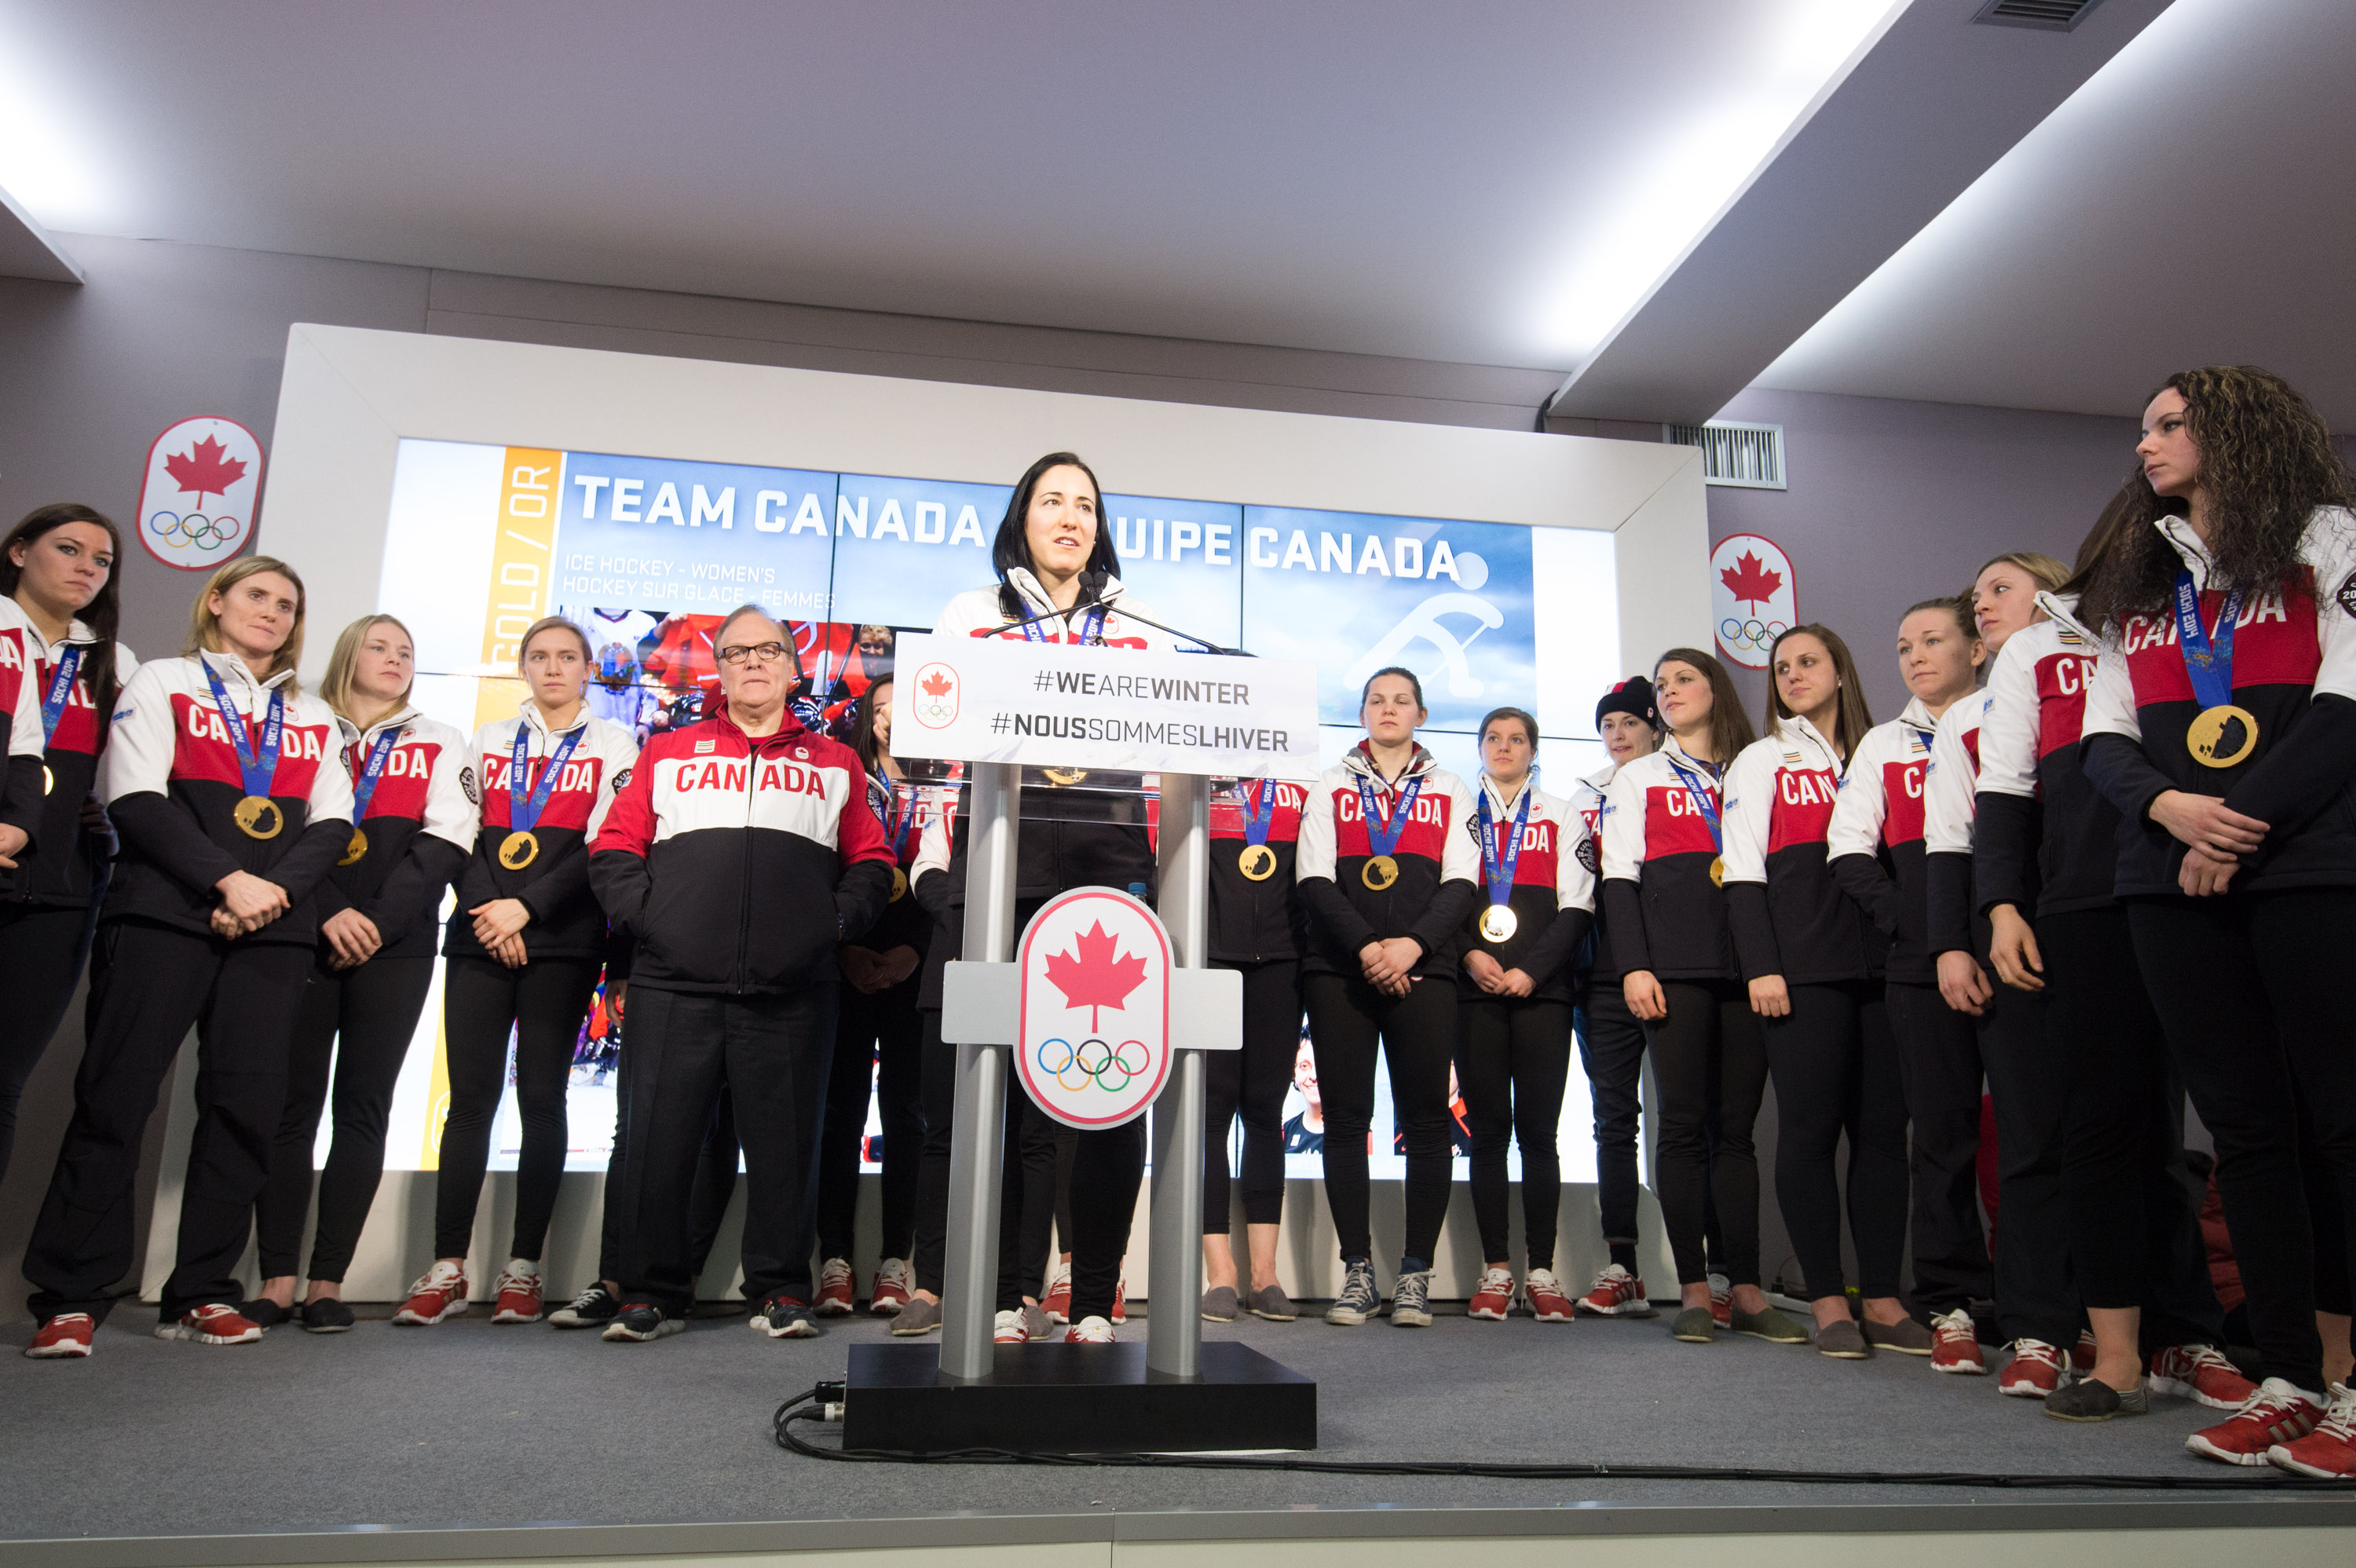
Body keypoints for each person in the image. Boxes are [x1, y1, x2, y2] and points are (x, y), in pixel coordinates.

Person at [2076, 366, 2356, 1474]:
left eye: (2171, 424)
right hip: (2169, 875)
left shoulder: (2328, 538)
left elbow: (2347, 703)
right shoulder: (2142, 581)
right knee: (2244, 1134)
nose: (2146, 444)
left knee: (2341, 1121)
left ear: (2240, 430)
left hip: (2308, 865)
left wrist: (2234, 821)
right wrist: (2171, 812)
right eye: (2142, 425)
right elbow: (2105, 739)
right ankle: (2288, 1375)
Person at [23, 557, 350, 1357]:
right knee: (116, 1097)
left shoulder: (312, 713)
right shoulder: (163, 678)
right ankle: (70, 1293)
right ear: (217, 602)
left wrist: (267, 895)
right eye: (257, 596)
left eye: (286, 604)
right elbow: (135, 796)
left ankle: (201, 1288)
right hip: (163, 915)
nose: (271, 613)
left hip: (273, 930)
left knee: (244, 1110)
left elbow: (333, 821)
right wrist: (228, 878)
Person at [1971, 506, 2247, 1423]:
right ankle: (2111, 1348)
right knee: (2098, 1122)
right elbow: (2006, 786)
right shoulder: (2034, 648)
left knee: (2184, 1135)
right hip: (2082, 904)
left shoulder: (2204, 620)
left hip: (2195, 888)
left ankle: (2190, 1330)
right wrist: (2002, 903)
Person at [905, 451, 1173, 1346]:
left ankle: (1095, 1295)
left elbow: (1176, 743)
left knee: (1110, 1082)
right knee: (1002, 1091)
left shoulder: (1138, 622)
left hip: (1110, 864)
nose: (1070, 517)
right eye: (1052, 500)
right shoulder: (973, 616)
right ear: (1021, 516)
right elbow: (939, 731)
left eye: (1086, 505)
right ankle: (1002, 1291)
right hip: (1001, 864)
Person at [588, 604, 894, 1342]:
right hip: (673, 985)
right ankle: (650, 1293)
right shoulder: (668, 751)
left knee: (789, 1149)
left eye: (768, 651)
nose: (752, 662)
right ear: (717, 669)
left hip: (794, 990)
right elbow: (613, 848)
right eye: (735, 652)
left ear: (794, 668)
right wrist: (652, 923)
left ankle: (780, 1289)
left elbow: (874, 863)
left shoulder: (836, 761)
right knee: (659, 1144)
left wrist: (833, 928)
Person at [397, 616, 638, 1329]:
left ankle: (523, 1268)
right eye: (540, 656)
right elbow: (457, 835)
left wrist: (524, 909)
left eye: (568, 656)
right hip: (479, 934)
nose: (554, 667)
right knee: (468, 1100)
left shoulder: (615, 743)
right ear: (523, 667)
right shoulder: (490, 739)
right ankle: (446, 1265)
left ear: (588, 668)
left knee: (542, 1097)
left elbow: (602, 846)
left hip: (561, 941)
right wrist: (488, 911)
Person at [247, 616, 476, 1332]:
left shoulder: (441, 738)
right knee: (290, 1108)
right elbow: (280, 830)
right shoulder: (302, 723)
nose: (395, 658)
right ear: (349, 654)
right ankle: (276, 1277)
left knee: (363, 1109)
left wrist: (374, 918)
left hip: (397, 945)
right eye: (380, 646)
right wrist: (324, 911)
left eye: (406, 650)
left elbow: (446, 841)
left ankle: (325, 1283)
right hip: (303, 932)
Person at [1919, 550, 2092, 1394]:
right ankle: (2037, 1326)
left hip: (2111, 917)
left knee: (2142, 1135)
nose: (1981, 604)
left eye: (1999, 588)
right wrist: (1956, 939)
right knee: (2028, 1138)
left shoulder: (2112, 667)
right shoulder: (1965, 718)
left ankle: (2171, 1328)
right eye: (1977, 592)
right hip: (2009, 930)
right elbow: (1954, 838)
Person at [1721, 624, 1915, 1359]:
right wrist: (1761, 965)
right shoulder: (1764, 757)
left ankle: (1885, 1297)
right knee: (1807, 1133)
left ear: (1841, 671)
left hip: (1886, 970)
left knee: (1882, 1137)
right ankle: (1829, 1298)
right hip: (1801, 972)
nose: (1793, 674)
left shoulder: (1885, 749)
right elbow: (1741, 871)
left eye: (1808, 662)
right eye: (1781, 667)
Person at [1603, 648, 1805, 1347]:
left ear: (1716, 688)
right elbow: (1619, 880)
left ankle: (1744, 1287)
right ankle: (1694, 1288)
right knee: (1683, 1126)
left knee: (1737, 1132)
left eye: (1684, 678)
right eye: (1661, 684)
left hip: (1751, 969)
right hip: (1675, 970)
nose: (1670, 690)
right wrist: (1634, 966)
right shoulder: (1640, 777)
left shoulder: (1759, 765)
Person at [1827, 597, 1991, 1372]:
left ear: (1978, 649)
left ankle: (2039, 1305)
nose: (1915, 656)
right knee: (1942, 1140)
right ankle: (1951, 1301)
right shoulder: (1885, 745)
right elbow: (1849, 849)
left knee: (2032, 1137)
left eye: (1932, 640)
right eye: (1902, 646)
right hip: (1920, 969)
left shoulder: (2008, 719)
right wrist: (1913, 925)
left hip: (2019, 949)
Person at [1296, 666, 1479, 1329]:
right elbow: (1314, 879)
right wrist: (1371, 949)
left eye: (1401, 700)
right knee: (1346, 1120)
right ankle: (1357, 1272)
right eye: (1376, 699)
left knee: (1427, 1121)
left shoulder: (1450, 786)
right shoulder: (1332, 784)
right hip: (1341, 969)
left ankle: (1414, 1276)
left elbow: (1462, 881)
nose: (1388, 708)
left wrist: (1409, 948)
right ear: (1363, 713)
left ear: (1421, 715)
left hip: (1425, 970)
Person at [0, 504, 134, 1190]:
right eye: (69, 548)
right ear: (19, 552)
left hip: (58, 887)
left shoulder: (116, 663)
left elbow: (127, 782)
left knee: (3, 1081)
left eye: (102, 560)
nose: (87, 568)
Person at [1456, 707, 1596, 1325]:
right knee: (1487, 1133)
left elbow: (1577, 906)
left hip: (1543, 991)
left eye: (1516, 739)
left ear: (1533, 749)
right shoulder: (1462, 813)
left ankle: (1541, 1268)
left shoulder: (1561, 814)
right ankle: (1496, 1269)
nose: (1503, 747)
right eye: (1493, 737)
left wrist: (1532, 970)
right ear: (1480, 746)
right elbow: (1443, 893)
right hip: (1474, 989)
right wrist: (1468, 953)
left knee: (1539, 1134)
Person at [812, 674, 928, 1318]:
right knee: (841, 1111)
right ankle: (834, 1258)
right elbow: (819, 873)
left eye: (901, 707)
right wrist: (845, 949)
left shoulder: (947, 785)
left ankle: (895, 1260)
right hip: (848, 964)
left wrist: (916, 951)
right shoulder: (843, 780)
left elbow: (953, 879)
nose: (890, 718)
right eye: (880, 709)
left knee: (907, 1116)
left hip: (915, 966)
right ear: (866, 719)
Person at [1199, 772, 1312, 1325]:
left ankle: (1266, 1275)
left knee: (1265, 1110)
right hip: (1210, 961)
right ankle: (1220, 1274)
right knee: (1211, 1113)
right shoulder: (1200, 780)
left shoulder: (1299, 786)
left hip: (1283, 962)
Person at [1568, 677, 1662, 1317]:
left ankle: (1712, 1271)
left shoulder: (1684, 781)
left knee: (1696, 1118)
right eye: (1609, 725)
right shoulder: (1584, 795)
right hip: (1601, 977)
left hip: (1680, 968)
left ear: (1655, 725)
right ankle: (1623, 1263)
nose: (1619, 734)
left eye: (1630, 721)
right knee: (1613, 1121)